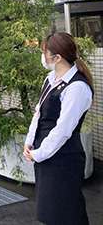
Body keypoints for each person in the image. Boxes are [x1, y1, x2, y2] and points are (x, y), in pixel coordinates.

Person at [23, 32, 93, 225]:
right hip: (45, 153)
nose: (43, 57)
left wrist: (40, 153)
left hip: (63, 157)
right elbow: (39, 113)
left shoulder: (77, 87)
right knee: (50, 211)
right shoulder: (51, 78)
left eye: (45, 52)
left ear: (58, 57)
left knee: (67, 211)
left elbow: (63, 129)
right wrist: (30, 141)